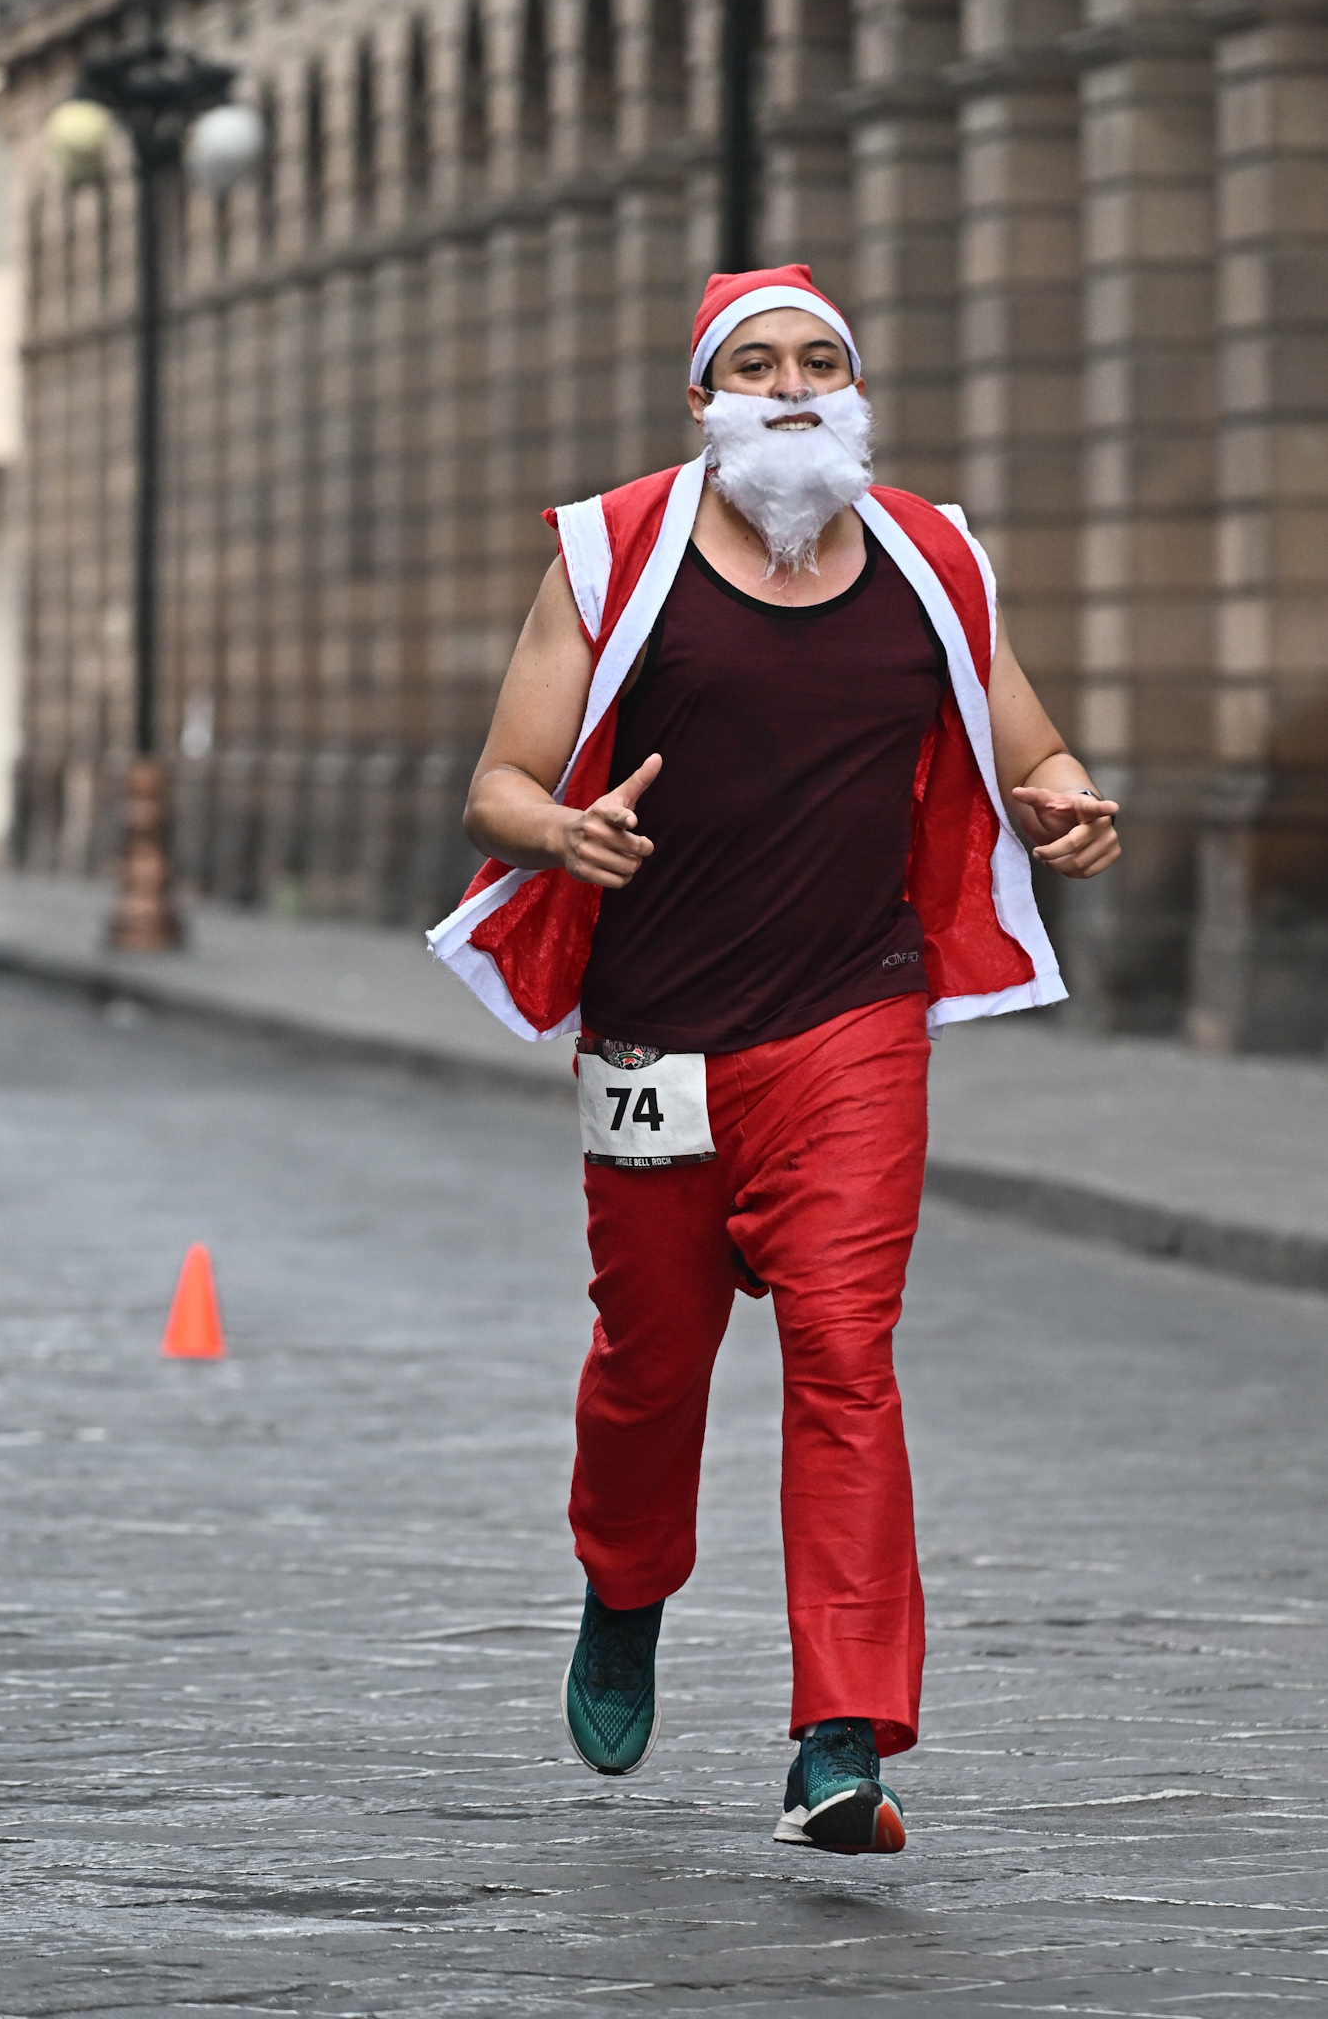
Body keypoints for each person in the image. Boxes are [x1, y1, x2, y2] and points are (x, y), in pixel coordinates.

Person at [430, 264, 1120, 1855]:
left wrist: (1065, 800)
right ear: (705, 401)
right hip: (656, 1035)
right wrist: (563, 831)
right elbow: (498, 785)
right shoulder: (611, 552)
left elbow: (1030, 742)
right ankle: (624, 1590)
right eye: (758, 365)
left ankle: (842, 1736)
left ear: (854, 391)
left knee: (846, 1355)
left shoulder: (934, 559)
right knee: (649, 1365)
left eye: (821, 361)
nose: (794, 386)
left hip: (851, 1023)